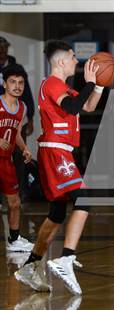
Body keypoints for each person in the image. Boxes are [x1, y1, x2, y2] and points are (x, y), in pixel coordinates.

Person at [14, 40, 104, 295]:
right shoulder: (52, 83)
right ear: (62, 61)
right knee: (84, 200)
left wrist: (97, 84)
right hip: (55, 151)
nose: (78, 61)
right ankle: (66, 258)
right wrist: (88, 84)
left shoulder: (62, 86)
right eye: (74, 57)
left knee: (56, 214)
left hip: (59, 152)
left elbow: (87, 106)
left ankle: (30, 266)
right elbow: (73, 106)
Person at [0, 64, 33, 252]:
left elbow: (17, 133)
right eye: (12, 82)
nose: (17, 86)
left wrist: (24, 148)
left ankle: (14, 241)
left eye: (20, 82)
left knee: (15, 203)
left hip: (5, 161)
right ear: (5, 84)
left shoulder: (22, 107)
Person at [0, 36, 35, 200]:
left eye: (4, 46)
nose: (2, 50)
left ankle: (20, 190)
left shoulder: (17, 67)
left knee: (19, 157)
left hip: (15, 117)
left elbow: (26, 93)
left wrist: (31, 117)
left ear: (7, 48)